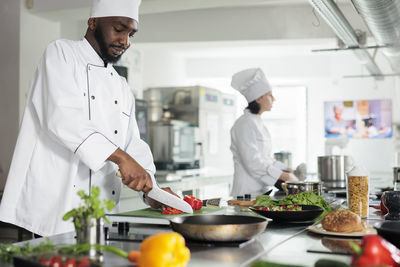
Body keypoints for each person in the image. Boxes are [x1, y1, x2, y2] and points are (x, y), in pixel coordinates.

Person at [0, 0, 170, 237]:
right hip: (51, 211)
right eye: (119, 29)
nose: (125, 41)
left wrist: (152, 188)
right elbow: (62, 117)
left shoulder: (120, 85)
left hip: (101, 214)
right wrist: (121, 158)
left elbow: (133, 143)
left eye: (131, 34)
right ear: (93, 23)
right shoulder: (61, 53)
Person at [230, 68, 299, 198]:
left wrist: (287, 169)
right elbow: (253, 162)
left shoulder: (257, 122)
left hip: (260, 191)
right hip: (246, 194)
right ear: (259, 99)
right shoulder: (245, 124)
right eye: (270, 95)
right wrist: (283, 175)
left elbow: (266, 158)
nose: (274, 99)